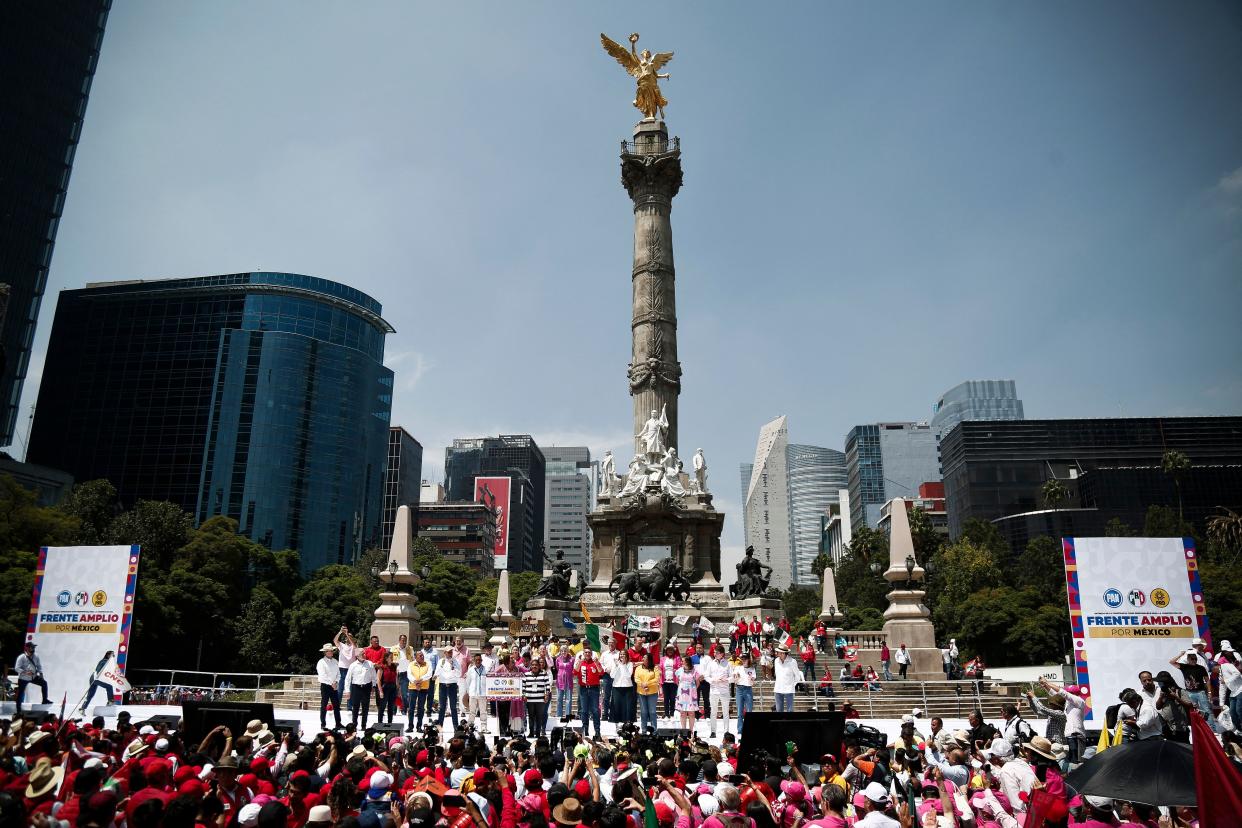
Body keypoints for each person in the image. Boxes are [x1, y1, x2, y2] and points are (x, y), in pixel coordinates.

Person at [1171, 649, 1218, 733]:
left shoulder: (1201, 668)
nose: (1194, 660)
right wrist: (1180, 654)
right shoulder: (1184, 666)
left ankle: (1212, 730)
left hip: (1201, 692)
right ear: (1188, 659)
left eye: (1195, 659)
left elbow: (1207, 681)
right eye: (1192, 659)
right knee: (1193, 711)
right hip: (1189, 692)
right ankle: (1198, 729)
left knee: (1206, 710)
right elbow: (1171, 662)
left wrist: (1210, 692)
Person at [704, 649, 732, 739]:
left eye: (717, 652)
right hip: (714, 691)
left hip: (724, 691)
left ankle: (726, 732)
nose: (715, 654)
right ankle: (713, 732)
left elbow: (732, 676)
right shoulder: (711, 663)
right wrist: (713, 680)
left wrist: (726, 679)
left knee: (726, 712)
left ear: (722, 654)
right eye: (715, 652)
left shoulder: (728, 663)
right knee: (713, 712)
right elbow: (706, 676)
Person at [14, 641, 49, 713]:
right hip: (23, 678)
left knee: (44, 683)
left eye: (33, 647)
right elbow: (17, 668)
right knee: (21, 693)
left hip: (33, 677)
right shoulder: (21, 657)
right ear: (27, 648)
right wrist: (25, 672)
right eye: (31, 647)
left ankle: (45, 700)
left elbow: (39, 666)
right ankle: (18, 710)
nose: (33, 648)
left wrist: (41, 674)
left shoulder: (36, 656)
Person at [577, 647, 604, 738]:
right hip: (583, 689)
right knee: (584, 711)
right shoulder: (581, 663)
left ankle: (597, 731)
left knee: (595, 711)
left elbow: (601, 672)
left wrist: (597, 663)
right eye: (586, 652)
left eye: (589, 652)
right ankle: (585, 731)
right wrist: (579, 662)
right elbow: (575, 672)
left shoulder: (595, 662)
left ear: (591, 654)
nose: (588, 654)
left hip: (594, 689)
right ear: (583, 654)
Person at [315, 643, 342, 730]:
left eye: (331, 651)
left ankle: (338, 723)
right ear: (325, 652)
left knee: (336, 705)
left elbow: (339, 674)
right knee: (324, 705)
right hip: (325, 686)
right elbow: (322, 675)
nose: (330, 652)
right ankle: (323, 723)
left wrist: (336, 682)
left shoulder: (335, 661)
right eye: (328, 651)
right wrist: (332, 683)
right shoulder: (321, 662)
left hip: (334, 686)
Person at [347, 650, 376, 728]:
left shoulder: (369, 664)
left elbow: (374, 676)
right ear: (357, 656)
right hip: (356, 687)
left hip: (366, 687)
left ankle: (364, 725)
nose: (364, 655)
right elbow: (348, 679)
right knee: (355, 707)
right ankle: (354, 725)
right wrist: (347, 691)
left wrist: (374, 686)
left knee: (365, 707)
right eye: (361, 654)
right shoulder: (353, 665)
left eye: (364, 653)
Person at [462, 652, 490, 733]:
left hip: (482, 694)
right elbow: (468, 681)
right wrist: (468, 692)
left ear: (481, 660)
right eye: (476, 660)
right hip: (473, 693)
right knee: (472, 711)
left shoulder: (486, 669)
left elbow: (488, 682)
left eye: (479, 660)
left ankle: (484, 727)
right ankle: (470, 726)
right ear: (474, 660)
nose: (478, 661)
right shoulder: (471, 670)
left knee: (483, 711)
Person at [523, 656, 551, 736]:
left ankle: (538, 733)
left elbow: (547, 686)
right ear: (530, 666)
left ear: (539, 666)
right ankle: (531, 732)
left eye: (536, 665)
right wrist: (524, 695)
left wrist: (546, 695)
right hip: (529, 700)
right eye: (533, 665)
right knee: (531, 717)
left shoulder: (544, 674)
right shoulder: (526, 675)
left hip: (540, 700)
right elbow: (523, 686)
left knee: (539, 716)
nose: (534, 666)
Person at [435, 645, 461, 730]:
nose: (450, 653)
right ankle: (440, 726)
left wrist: (453, 667)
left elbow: (459, 674)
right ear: (444, 653)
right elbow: (437, 673)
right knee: (442, 707)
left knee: (453, 707)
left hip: (452, 685)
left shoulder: (455, 661)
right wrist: (435, 675)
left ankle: (455, 727)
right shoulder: (441, 661)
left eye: (451, 652)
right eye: (448, 652)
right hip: (443, 685)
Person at [634, 652, 661, 732]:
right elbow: (636, 678)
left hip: (652, 692)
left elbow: (656, 679)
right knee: (643, 712)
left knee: (652, 712)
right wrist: (642, 684)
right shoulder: (638, 668)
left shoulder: (655, 668)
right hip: (641, 692)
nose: (642, 659)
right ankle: (644, 731)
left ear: (649, 660)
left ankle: (654, 731)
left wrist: (647, 684)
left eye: (644, 658)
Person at [407, 649, 432, 731]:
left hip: (423, 688)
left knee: (421, 708)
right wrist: (415, 682)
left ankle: (419, 727)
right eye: (420, 655)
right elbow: (409, 674)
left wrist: (420, 680)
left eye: (422, 655)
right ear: (415, 657)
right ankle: (410, 726)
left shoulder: (428, 664)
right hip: (413, 688)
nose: (422, 656)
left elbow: (429, 674)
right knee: (411, 708)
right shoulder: (411, 664)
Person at [608, 649, 635, 725]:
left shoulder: (630, 664)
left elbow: (628, 675)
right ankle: (617, 726)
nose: (622, 655)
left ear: (627, 655)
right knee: (616, 707)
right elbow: (612, 675)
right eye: (621, 654)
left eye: (623, 654)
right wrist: (616, 666)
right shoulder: (616, 664)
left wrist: (623, 665)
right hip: (616, 687)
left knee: (627, 708)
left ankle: (627, 725)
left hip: (627, 688)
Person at [674, 655, 700, 732]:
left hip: (691, 694)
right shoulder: (679, 670)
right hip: (682, 694)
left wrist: (693, 690)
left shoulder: (694, 670)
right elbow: (676, 681)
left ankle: (691, 731)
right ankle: (683, 731)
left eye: (683, 661)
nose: (681, 662)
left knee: (691, 713)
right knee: (682, 713)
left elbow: (697, 683)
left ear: (687, 662)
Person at [773, 646, 801, 712]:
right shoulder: (776, 661)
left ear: (783, 653)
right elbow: (777, 674)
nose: (777, 653)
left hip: (789, 690)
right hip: (778, 689)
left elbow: (797, 676)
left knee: (790, 711)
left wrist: (792, 685)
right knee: (779, 710)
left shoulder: (793, 661)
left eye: (778, 652)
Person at [733, 651, 756, 734]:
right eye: (742, 659)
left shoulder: (752, 669)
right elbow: (735, 680)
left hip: (748, 689)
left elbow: (752, 683)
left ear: (748, 659)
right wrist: (736, 677)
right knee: (740, 711)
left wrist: (751, 679)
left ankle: (749, 729)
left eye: (745, 659)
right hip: (739, 689)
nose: (743, 660)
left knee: (749, 711)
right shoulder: (738, 668)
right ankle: (740, 730)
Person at [333, 626, 357, 704]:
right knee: (340, 688)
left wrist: (347, 634)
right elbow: (335, 640)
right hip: (342, 669)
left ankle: (349, 707)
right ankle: (337, 705)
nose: (347, 638)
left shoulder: (354, 646)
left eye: (349, 637)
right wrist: (340, 632)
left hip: (351, 669)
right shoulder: (342, 645)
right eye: (347, 637)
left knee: (349, 688)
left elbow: (354, 645)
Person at [377, 649, 399, 724]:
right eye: (390, 657)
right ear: (386, 658)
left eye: (392, 657)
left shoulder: (394, 666)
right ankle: (380, 723)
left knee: (391, 707)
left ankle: (390, 723)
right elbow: (378, 680)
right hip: (384, 687)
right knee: (382, 707)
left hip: (393, 688)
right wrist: (380, 691)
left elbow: (396, 678)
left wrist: (398, 690)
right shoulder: (382, 667)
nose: (392, 658)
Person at [555, 645, 576, 721]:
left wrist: (570, 675)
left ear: (568, 651)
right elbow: (557, 668)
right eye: (562, 651)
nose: (563, 652)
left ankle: (568, 716)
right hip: (560, 681)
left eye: (565, 650)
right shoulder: (558, 659)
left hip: (568, 681)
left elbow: (574, 669)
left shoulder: (572, 659)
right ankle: (559, 716)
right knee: (559, 699)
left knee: (568, 699)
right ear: (560, 652)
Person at [659, 644, 680, 720]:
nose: (670, 651)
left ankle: (672, 714)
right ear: (666, 651)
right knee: (666, 698)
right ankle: (666, 714)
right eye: (668, 650)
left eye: (671, 649)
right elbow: (660, 667)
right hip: (665, 681)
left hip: (673, 681)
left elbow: (679, 667)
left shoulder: (677, 658)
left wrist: (676, 670)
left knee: (672, 698)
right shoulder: (662, 658)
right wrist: (660, 671)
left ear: (673, 650)